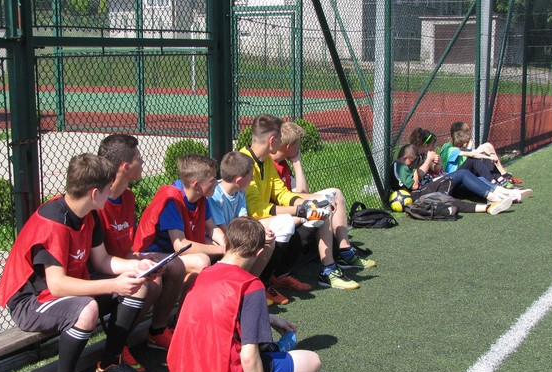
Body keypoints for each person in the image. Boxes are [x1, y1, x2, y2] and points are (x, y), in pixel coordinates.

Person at [0, 153, 156, 372]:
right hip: (33, 302)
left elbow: (102, 261)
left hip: (65, 290)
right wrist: (113, 285)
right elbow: (57, 286)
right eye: (108, 189)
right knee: (87, 309)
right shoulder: (53, 223)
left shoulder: (88, 214)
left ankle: (110, 365)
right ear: (95, 193)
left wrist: (136, 267)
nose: (111, 194)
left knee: (138, 286)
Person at [167, 216, 322, 372]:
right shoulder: (251, 285)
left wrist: (268, 318)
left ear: (226, 243)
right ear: (259, 252)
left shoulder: (202, 274)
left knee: (265, 345)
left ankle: (271, 354)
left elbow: (220, 316)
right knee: (312, 361)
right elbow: (248, 355)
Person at [242, 114, 373, 291]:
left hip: (266, 217)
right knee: (288, 222)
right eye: (280, 137)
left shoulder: (266, 161)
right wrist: (302, 211)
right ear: (272, 140)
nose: (282, 141)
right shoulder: (245, 163)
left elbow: (282, 194)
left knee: (321, 207)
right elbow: (257, 210)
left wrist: (312, 204)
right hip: (248, 223)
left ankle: (329, 269)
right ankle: (265, 282)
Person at [97, 134, 186, 357]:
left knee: (175, 265)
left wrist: (141, 259)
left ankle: (157, 331)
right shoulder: (97, 203)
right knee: (151, 283)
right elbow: (98, 260)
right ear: (126, 167)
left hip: (122, 261)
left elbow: (127, 248)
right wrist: (136, 265)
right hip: (102, 270)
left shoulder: (127, 197)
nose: (143, 161)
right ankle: (119, 344)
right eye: (138, 157)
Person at [208, 151, 305, 305]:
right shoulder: (215, 197)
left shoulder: (240, 192)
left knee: (268, 241)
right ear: (239, 180)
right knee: (249, 245)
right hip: (221, 238)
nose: (252, 179)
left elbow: (243, 221)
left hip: (234, 234)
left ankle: (250, 286)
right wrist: (251, 238)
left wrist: (259, 232)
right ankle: (235, 291)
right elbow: (223, 230)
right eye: (251, 176)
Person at [133, 153, 223, 287]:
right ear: (196, 185)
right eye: (213, 180)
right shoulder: (172, 199)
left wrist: (227, 244)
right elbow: (180, 245)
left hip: (173, 253)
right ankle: (185, 300)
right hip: (152, 254)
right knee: (201, 261)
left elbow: (212, 228)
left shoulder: (200, 197)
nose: (217, 183)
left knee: (223, 248)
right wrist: (221, 249)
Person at [393, 144, 513, 215]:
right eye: (411, 161)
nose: (412, 164)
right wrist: (419, 166)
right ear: (405, 158)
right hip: (423, 191)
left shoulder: (403, 166)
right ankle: (493, 197)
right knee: (462, 174)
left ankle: (497, 194)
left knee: (464, 186)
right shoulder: (400, 167)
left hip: (430, 185)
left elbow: (434, 170)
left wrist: (436, 163)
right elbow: (414, 186)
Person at [439, 122, 525, 188]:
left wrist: (487, 155)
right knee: (476, 158)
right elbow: (470, 155)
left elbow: (470, 154)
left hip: (464, 171)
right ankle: (495, 183)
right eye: (467, 132)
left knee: (484, 151)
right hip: (455, 178)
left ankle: (501, 179)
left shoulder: (457, 147)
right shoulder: (450, 149)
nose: (469, 134)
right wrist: (488, 157)